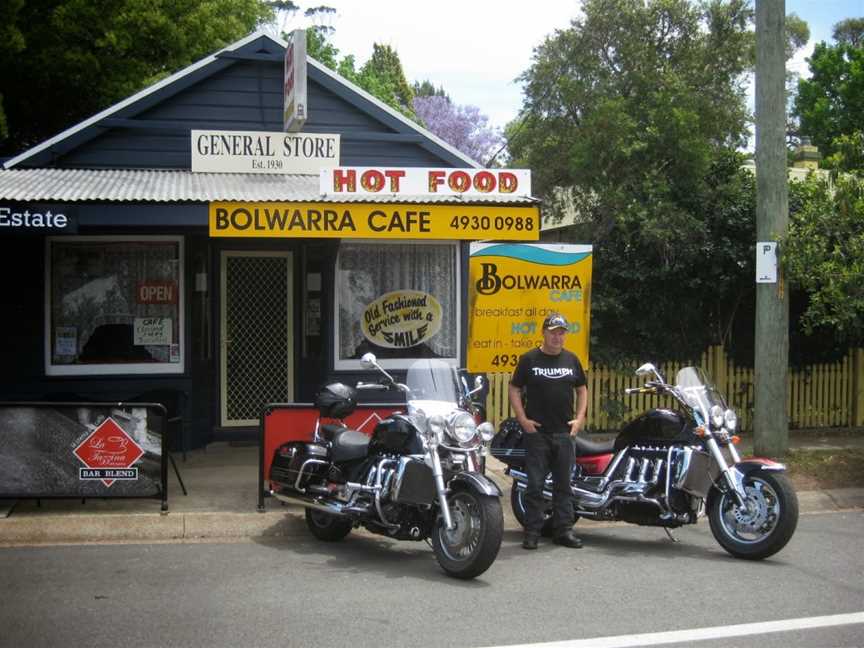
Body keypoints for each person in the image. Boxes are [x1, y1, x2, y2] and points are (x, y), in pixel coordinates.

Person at [508, 313, 588, 550]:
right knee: (535, 486)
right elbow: (514, 389)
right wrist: (523, 420)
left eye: (561, 332)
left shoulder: (571, 360)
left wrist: (579, 419)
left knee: (564, 485)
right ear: (543, 332)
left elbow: (582, 389)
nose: (557, 336)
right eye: (553, 331)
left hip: (565, 434)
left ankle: (563, 531)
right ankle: (532, 532)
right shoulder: (529, 359)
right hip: (538, 434)